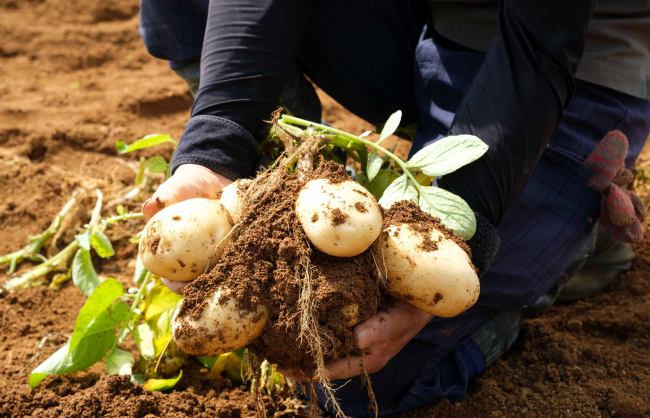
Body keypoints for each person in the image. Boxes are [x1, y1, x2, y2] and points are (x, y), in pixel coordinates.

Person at [138, 0, 650, 415]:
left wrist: (448, 234)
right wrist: (216, 146)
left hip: (568, 53)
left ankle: (578, 238)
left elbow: (541, 42)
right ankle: (285, 187)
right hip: (434, 21)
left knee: (357, 384)